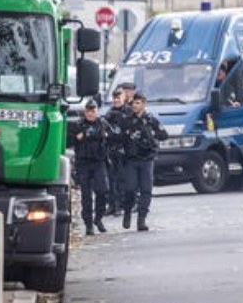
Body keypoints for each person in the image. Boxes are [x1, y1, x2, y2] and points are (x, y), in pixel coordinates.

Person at [121, 91, 169, 231]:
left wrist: (151, 136)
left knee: (146, 190)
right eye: (133, 103)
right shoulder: (127, 120)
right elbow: (120, 138)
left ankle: (141, 220)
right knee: (130, 189)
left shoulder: (150, 120)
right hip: (131, 159)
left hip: (147, 159)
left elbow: (164, 135)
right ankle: (127, 211)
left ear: (144, 104)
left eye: (138, 103)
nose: (135, 106)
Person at [71, 99, 111, 235]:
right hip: (84, 163)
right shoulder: (78, 124)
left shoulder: (103, 123)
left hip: (99, 162)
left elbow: (114, 136)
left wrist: (107, 136)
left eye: (93, 111)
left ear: (97, 111)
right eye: (88, 111)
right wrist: (78, 137)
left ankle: (98, 218)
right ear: (85, 112)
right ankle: (88, 224)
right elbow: (70, 140)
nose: (90, 113)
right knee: (86, 196)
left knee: (102, 191)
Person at [105, 87, 130, 216]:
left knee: (122, 179)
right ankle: (112, 205)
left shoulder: (129, 112)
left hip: (125, 150)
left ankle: (122, 205)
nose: (116, 100)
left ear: (124, 98)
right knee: (111, 179)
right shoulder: (109, 113)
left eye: (118, 98)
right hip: (112, 149)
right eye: (114, 98)